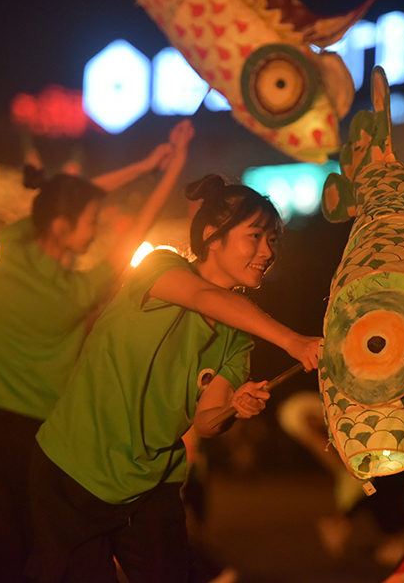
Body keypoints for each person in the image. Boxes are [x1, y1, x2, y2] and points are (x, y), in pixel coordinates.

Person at [26, 174, 321, 583]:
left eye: (273, 239)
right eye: (255, 236)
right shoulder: (159, 267)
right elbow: (206, 298)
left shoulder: (239, 343)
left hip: (150, 485)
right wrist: (294, 341)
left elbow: (205, 420)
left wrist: (233, 409)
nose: (267, 250)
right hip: (74, 472)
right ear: (212, 237)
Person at [0, 120, 194, 583]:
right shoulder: (81, 290)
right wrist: (166, 169)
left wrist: (144, 164)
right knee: (40, 554)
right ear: (64, 228)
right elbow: (128, 233)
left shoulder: (8, 251)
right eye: (90, 222)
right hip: (38, 437)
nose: (96, 228)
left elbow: (62, 198)